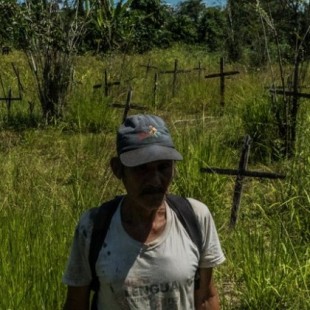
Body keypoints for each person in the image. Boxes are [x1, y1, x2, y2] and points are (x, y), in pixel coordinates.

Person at [63, 114, 225, 310]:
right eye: (141, 169)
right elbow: (76, 303)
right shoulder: (93, 227)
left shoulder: (196, 218)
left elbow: (206, 297)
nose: (155, 181)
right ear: (117, 170)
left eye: (163, 167)